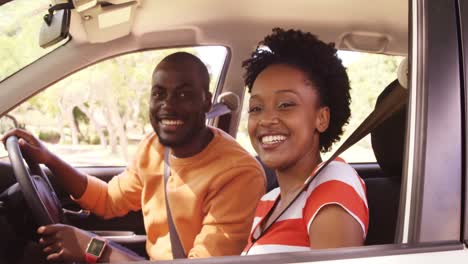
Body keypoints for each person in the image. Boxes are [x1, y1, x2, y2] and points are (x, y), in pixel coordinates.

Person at [2, 52, 266, 262]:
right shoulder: (154, 146)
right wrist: (49, 158)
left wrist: (91, 247)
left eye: (184, 94)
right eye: (158, 93)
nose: (168, 105)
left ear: (206, 101)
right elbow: (107, 200)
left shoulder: (238, 174)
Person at [241, 28, 368, 255]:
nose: (266, 119)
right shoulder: (269, 201)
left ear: (321, 118)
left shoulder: (333, 180)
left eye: (286, 104)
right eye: (256, 108)